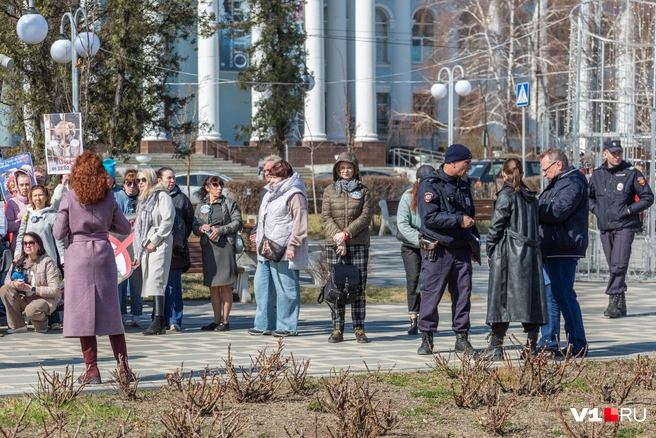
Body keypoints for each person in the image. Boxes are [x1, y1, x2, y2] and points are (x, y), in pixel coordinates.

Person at [53, 152, 133, 384]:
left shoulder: (69, 197)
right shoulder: (108, 198)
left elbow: (58, 232)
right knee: (111, 312)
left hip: (78, 256)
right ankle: (124, 369)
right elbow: (125, 228)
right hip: (103, 252)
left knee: (83, 314)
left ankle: (92, 370)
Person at [416, 144, 479, 356]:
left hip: (461, 249)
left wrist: (474, 243)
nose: (469, 167)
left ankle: (462, 337)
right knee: (432, 294)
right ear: (452, 162)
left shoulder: (463, 185)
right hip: (439, 249)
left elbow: (471, 216)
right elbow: (429, 218)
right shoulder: (430, 184)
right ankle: (427, 338)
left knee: (463, 294)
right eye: (466, 163)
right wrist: (458, 220)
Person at [483, 159, 548, 360]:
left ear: (504, 174)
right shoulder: (530, 197)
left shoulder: (507, 195)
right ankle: (531, 348)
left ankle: (496, 348)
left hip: (508, 255)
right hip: (531, 254)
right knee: (530, 301)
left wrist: (489, 249)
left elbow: (495, 227)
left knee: (501, 301)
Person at [588, 140, 654, 318]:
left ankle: (613, 301)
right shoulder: (597, 174)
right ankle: (621, 300)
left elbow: (648, 197)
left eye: (619, 153)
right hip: (605, 226)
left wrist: (629, 210)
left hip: (625, 225)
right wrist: (596, 209)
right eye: (613, 153)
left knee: (619, 264)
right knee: (613, 265)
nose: (617, 156)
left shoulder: (631, 173)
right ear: (605, 154)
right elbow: (588, 197)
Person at [538, 147, 588, 357]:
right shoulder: (558, 182)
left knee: (564, 295)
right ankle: (549, 341)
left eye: (545, 169)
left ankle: (577, 344)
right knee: (551, 295)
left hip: (563, 247)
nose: (543, 174)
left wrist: (531, 209)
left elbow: (557, 211)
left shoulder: (573, 183)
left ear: (558, 164)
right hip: (551, 247)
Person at [250, 160, 308, 337]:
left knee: (286, 289)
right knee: (262, 287)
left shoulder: (295, 194)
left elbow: (300, 224)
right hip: (266, 248)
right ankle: (263, 324)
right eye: (270, 176)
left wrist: (293, 245)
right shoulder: (269, 193)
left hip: (284, 250)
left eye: (275, 176)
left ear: (285, 177)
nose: (271, 179)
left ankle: (287, 326)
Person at [321, 152, 372, 344]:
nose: (345, 171)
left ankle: (359, 328)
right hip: (334, 244)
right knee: (337, 287)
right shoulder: (329, 191)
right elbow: (325, 217)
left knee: (357, 288)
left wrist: (346, 235)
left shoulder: (364, 191)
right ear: (337, 170)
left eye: (349, 167)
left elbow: (365, 217)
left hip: (358, 244)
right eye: (342, 168)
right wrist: (338, 238)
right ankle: (337, 329)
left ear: (355, 169)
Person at [192, 175, 243, 331]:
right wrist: (201, 229)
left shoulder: (229, 203)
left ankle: (225, 322)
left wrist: (219, 230)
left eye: (221, 185)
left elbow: (237, 222)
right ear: (207, 188)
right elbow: (195, 226)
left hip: (225, 246)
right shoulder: (201, 205)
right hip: (209, 248)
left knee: (225, 285)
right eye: (215, 185)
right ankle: (216, 320)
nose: (219, 188)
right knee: (213, 286)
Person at [133, 168, 175, 336]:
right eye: (138, 180)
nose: (140, 183)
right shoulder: (144, 200)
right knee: (151, 280)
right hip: (147, 244)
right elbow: (140, 228)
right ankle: (160, 321)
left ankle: (158, 320)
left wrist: (155, 240)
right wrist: (138, 252)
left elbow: (167, 221)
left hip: (160, 243)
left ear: (151, 179)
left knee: (157, 280)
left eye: (143, 179)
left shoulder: (162, 196)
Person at [396, 164, 435, 335]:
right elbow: (403, 224)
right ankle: (414, 318)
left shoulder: (435, 196)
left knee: (429, 283)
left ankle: (427, 318)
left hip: (433, 246)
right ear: (418, 181)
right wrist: (420, 240)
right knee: (413, 280)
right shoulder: (407, 197)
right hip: (412, 246)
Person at [0, 232, 60, 334]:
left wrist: (32, 289)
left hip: (43, 300)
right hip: (24, 298)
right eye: (25, 243)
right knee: (5, 289)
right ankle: (18, 326)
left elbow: (55, 290)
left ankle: (43, 322)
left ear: (39, 245)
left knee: (32, 310)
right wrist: (14, 284)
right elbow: (7, 280)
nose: (28, 245)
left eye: (31, 243)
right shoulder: (18, 259)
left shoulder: (47, 261)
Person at [157, 167, 194, 332]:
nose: (172, 181)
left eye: (173, 178)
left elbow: (189, 223)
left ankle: (174, 320)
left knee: (174, 285)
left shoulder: (181, 199)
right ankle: (158, 318)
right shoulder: (154, 197)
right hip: (157, 248)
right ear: (159, 180)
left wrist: (179, 238)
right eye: (168, 178)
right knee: (158, 286)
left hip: (175, 250)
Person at [118, 169, 142, 327]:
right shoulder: (118, 198)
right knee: (120, 282)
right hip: (120, 247)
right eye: (128, 182)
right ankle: (121, 313)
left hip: (136, 246)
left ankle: (137, 313)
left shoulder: (143, 200)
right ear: (123, 184)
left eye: (135, 183)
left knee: (136, 282)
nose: (132, 186)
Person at [6, 171, 33, 251]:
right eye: (21, 185)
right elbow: (8, 226)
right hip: (19, 245)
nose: (24, 187)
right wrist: (23, 221)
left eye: (27, 184)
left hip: (36, 243)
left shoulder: (36, 199)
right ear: (17, 186)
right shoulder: (12, 202)